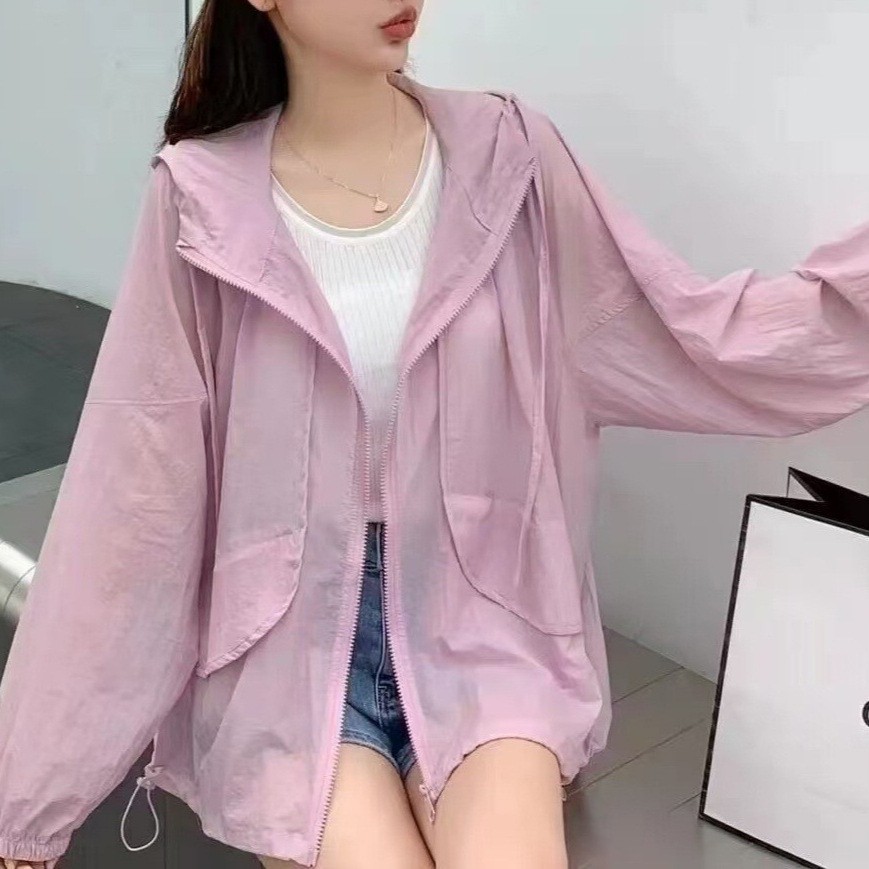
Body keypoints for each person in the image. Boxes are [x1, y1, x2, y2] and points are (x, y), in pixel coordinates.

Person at [2, 1, 869, 867]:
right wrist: (26, 805)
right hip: (284, 650)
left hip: (486, 626)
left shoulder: (509, 155)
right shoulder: (200, 199)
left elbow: (681, 338)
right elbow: (137, 489)